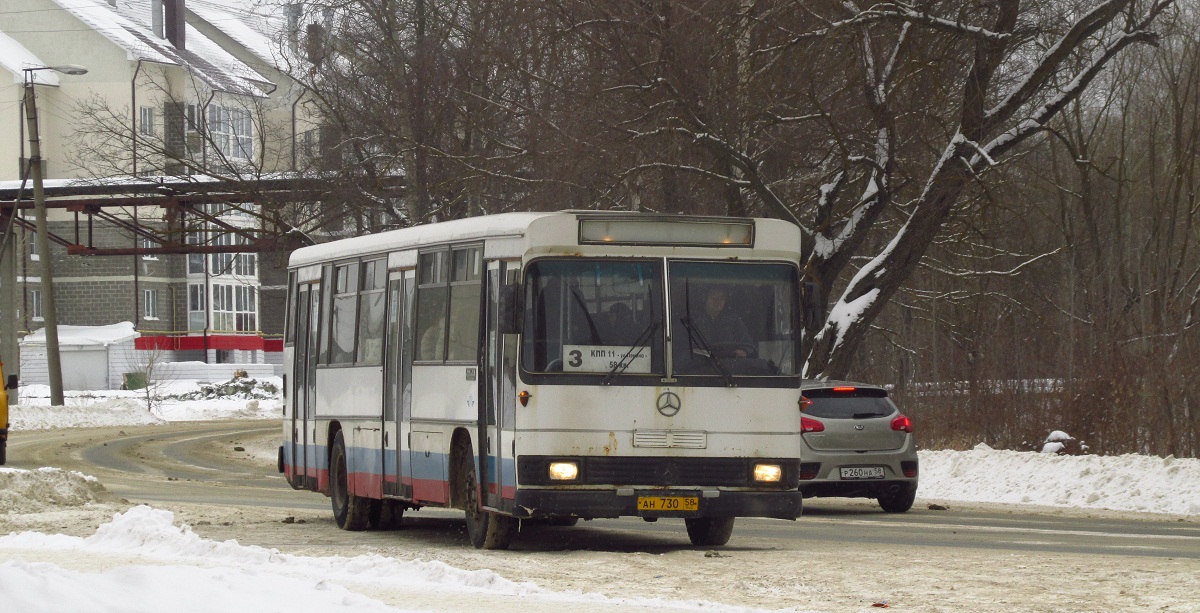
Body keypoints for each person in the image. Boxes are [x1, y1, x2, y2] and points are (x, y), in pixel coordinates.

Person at [690, 286, 754, 358]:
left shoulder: (734, 321)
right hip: (700, 364)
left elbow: (747, 343)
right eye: (713, 297)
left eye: (722, 298)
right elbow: (686, 348)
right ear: (705, 299)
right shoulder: (694, 320)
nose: (718, 301)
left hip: (729, 364)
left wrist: (743, 350)